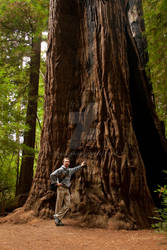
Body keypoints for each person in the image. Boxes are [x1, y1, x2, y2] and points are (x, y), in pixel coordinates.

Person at [50, 157, 86, 226]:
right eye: (66, 161)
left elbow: (75, 169)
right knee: (59, 204)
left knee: (68, 204)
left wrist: (81, 165)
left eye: (68, 162)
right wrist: (56, 183)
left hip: (67, 189)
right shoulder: (60, 170)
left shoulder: (69, 170)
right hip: (61, 188)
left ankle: (57, 216)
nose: (67, 163)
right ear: (63, 162)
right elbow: (52, 175)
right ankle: (57, 221)